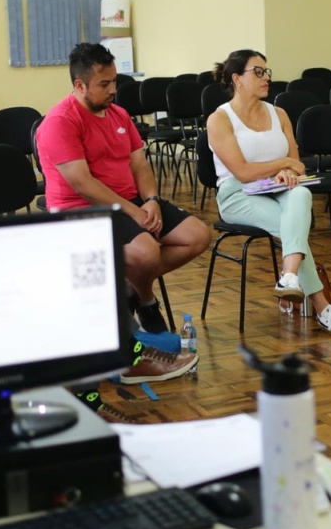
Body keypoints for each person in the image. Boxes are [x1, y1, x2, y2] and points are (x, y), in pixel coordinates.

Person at [36, 42, 210, 334]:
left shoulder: (118, 114)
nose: (113, 89)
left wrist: (151, 200)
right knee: (146, 254)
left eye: (114, 80)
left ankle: (128, 286)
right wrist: (133, 211)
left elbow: (140, 163)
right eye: (104, 84)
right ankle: (145, 300)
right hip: (83, 211)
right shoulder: (60, 121)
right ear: (79, 85)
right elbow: (82, 184)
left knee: (197, 236)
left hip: (126, 200)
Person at [206, 49, 331, 335]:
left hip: (276, 188)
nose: (266, 78)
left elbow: (297, 165)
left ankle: (289, 277)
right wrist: (283, 163)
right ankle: (323, 307)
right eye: (258, 72)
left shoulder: (280, 113)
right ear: (237, 79)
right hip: (238, 194)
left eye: (267, 72)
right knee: (293, 228)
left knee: (301, 194)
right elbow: (243, 172)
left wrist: (289, 171)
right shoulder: (220, 119)